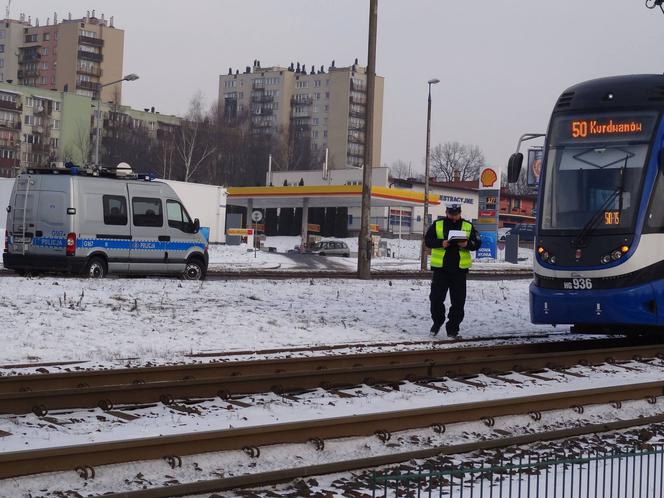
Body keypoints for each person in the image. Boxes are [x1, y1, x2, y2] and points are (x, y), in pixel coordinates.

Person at [425, 203, 481, 338]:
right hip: (441, 270)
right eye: (451, 214)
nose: (454, 217)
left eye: (456, 214)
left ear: (460, 213)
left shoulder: (468, 226)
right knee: (436, 299)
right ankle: (438, 321)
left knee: (458, 302)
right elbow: (428, 240)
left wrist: (467, 244)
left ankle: (453, 329)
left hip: (459, 271)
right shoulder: (438, 224)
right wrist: (441, 243)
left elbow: (477, 243)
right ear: (446, 212)